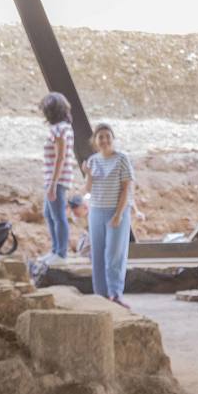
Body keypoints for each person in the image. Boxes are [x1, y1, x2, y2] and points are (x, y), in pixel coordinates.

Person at [81, 123, 136, 308]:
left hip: (116, 210)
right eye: (100, 137)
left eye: (107, 136)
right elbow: (87, 190)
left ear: (113, 138)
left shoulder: (122, 159)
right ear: (95, 141)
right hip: (96, 210)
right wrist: (88, 174)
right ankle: (101, 295)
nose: (104, 140)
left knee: (115, 254)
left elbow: (126, 188)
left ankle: (115, 293)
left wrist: (119, 214)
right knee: (97, 253)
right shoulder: (93, 161)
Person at [40, 92, 76, 262]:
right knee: (49, 214)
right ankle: (55, 250)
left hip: (57, 179)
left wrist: (53, 184)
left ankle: (61, 253)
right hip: (53, 179)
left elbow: (60, 157)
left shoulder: (60, 129)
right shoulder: (62, 128)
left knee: (58, 216)